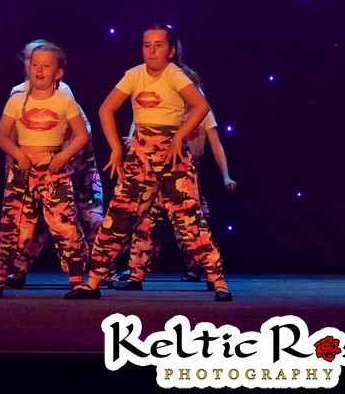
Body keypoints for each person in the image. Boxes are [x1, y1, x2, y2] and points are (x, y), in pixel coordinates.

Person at [70, 25, 232, 301]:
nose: (152, 50)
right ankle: (93, 281)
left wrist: (179, 136)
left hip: (172, 157)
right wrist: (116, 149)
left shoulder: (174, 74)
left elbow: (201, 106)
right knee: (119, 217)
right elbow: (106, 109)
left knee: (189, 220)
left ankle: (218, 281)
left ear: (171, 50)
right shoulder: (134, 74)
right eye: (147, 45)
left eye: (159, 45)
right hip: (140, 157)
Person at [0, 39, 103, 289]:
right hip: (24, 171)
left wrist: (63, 156)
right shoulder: (16, 99)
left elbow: (82, 134)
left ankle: (77, 279)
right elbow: (2, 135)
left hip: (54, 170)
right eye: (34, 64)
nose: (38, 69)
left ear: (58, 73)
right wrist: (17, 155)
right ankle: (0, 276)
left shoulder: (64, 99)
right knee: (14, 225)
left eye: (45, 66)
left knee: (65, 225)